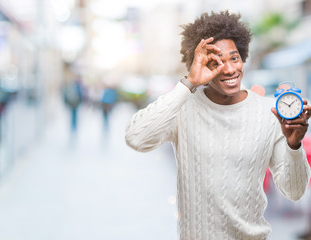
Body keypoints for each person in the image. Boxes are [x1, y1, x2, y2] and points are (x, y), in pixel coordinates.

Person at [125, 11, 311, 240]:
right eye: (216, 62)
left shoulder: (270, 112)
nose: (229, 69)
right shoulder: (183, 107)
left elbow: (294, 191)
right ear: (200, 65)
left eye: (234, 58)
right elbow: (136, 138)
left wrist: (294, 146)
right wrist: (189, 83)